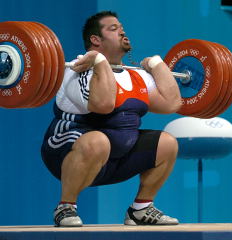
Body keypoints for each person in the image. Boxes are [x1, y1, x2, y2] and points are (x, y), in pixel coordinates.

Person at [41, 10, 182, 227]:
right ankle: (66, 207)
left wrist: (157, 65)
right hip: (65, 152)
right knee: (98, 142)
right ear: (95, 40)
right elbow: (104, 105)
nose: (122, 32)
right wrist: (98, 61)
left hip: (115, 159)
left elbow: (171, 104)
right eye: (113, 29)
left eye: (122, 29)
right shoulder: (78, 71)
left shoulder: (135, 76)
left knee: (167, 143)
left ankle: (141, 209)